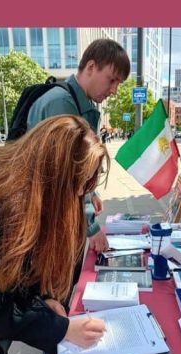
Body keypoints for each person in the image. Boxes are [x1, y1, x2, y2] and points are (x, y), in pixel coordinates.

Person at [0, 115, 110, 354]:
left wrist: (43, 299)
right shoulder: (7, 209)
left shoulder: (28, 191)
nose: (84, 191)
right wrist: (61, 329)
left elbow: (15, 276)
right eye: (83, 181)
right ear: (58, 175)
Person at [26, 39, 130, 258]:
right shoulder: (62, 105)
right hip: (49, 219)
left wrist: (91, 192)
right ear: (91, 67)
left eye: (118, 83)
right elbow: (67, 177)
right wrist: (91, 228)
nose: (114, 90)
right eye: (111, 80)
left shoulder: (77, 102)